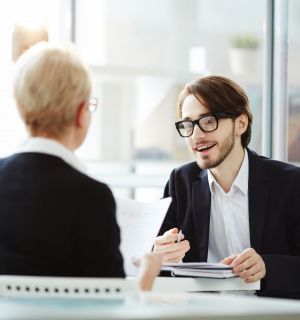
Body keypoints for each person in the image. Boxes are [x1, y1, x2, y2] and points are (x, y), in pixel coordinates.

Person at [0, 42, 162, 290]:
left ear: (22, 108)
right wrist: (146, 280)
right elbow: (108, 305)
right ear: (80, 113)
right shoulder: (91, 197)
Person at [153, 75, 300, 299]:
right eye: (188, 124)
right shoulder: (180, 181)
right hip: (204, 312)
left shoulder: (290, 183)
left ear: (240, 124)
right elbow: (159, 271)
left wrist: (267, 267)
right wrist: (159, 256)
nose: (196, 135)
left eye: (209, 121)